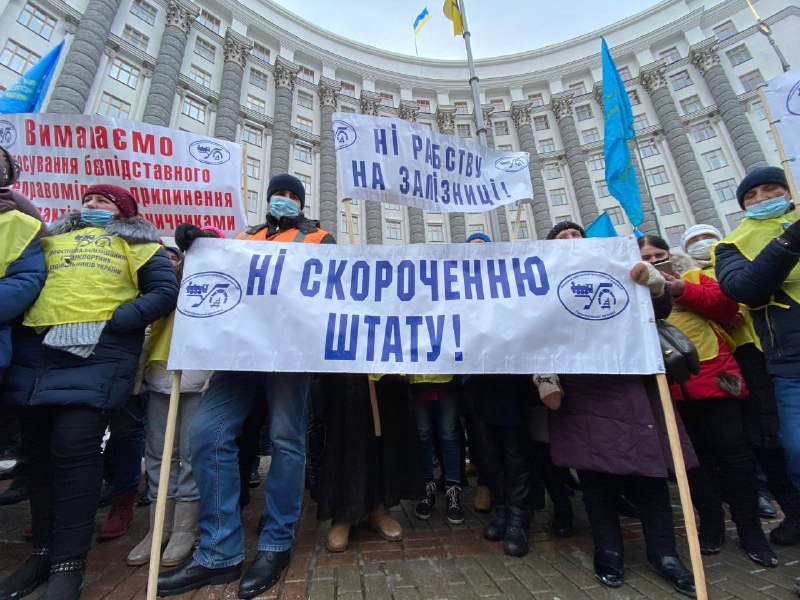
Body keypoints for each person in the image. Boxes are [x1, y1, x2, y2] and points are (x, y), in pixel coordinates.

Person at [157, 174, 335, 599]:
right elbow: (222, 274)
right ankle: (219, 552)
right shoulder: (245, 234)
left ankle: (276, 544)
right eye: (281, 193)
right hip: (239, 354)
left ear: (303, 204)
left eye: (294, 196)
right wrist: (197, 248)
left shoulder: (321, 238)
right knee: (206, 433)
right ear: (269, 198)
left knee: (286, 441)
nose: (286, 200)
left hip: (289, 355)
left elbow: (328, 290)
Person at [1, 184, 178, 599]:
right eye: (88, 201)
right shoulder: (52, 240)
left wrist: (119, 320)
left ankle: (69, 563)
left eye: (103, 201)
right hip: (38, 355)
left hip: (97, 356)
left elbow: (163, 291)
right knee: (38, 454)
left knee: (74, 447)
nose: (92, 206)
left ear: (123, 212)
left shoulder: (141, 245)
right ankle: (44, 551)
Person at [546, 222, 697, 597]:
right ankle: (608, 549)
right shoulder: (544, 280)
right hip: (583, 385)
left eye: (575, 234)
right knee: (594, 476)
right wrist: (544, 377)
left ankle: (664, 553)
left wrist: (654, 285)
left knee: (650, 471)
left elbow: (657, 310)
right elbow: (536, 331)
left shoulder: (617, 262)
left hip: (632, 380)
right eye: (561, 237)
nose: (571, 240)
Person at [639, 234, 777, 568]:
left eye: (659, 254)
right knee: (693, 463)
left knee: (735, 456)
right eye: (647, 258)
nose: (655, 261)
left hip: (715, 379)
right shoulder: (634, 290)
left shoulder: (694, 277)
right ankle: (711, 525)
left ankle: (750, 531)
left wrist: (680, 290)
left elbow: (727, 307)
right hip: (670, 387)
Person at [682, 223, 800, 546]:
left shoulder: (741, 262)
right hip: (726, 365)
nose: (700, 245)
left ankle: (789, 508)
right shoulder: (690, 277)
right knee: (749, 439)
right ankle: (770, 500)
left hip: (765, 355)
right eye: (691, 241)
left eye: (704, 238)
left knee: (775, 438)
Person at [715, 166, 800, 498]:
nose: (762, 198)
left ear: (788, 191)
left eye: (770, 189)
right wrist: (788, 241)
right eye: (752, 195)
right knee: (795, 447)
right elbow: (745, 288)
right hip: (790, 362)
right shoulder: (731, 245)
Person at [126, 245, 214, 568]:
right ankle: (157, 527)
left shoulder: (213, 280)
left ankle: (183, 530)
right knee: (159, 455)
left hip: (198, 376)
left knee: (190, 454)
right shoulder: (164, 286)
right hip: (162, 372)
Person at [315, 374, 422, 552]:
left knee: (387, 419)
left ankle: (379, 506)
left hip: (383, 363)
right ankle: (343, 512)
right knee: (346, 420)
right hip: (346, 366)